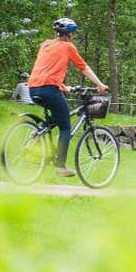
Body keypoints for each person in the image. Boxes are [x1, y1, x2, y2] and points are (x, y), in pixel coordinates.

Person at [28, 18, 108, 177]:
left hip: (33, 88)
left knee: (59, 115)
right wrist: (100, 85)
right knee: (66, 126)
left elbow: (46, 69)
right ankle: (61, 166)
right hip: (49, 89)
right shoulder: (68, 47)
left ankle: (37, 133)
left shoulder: (45, 44)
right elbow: (84, 68)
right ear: (70, 34)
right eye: (73, 33)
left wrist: (65, 88)